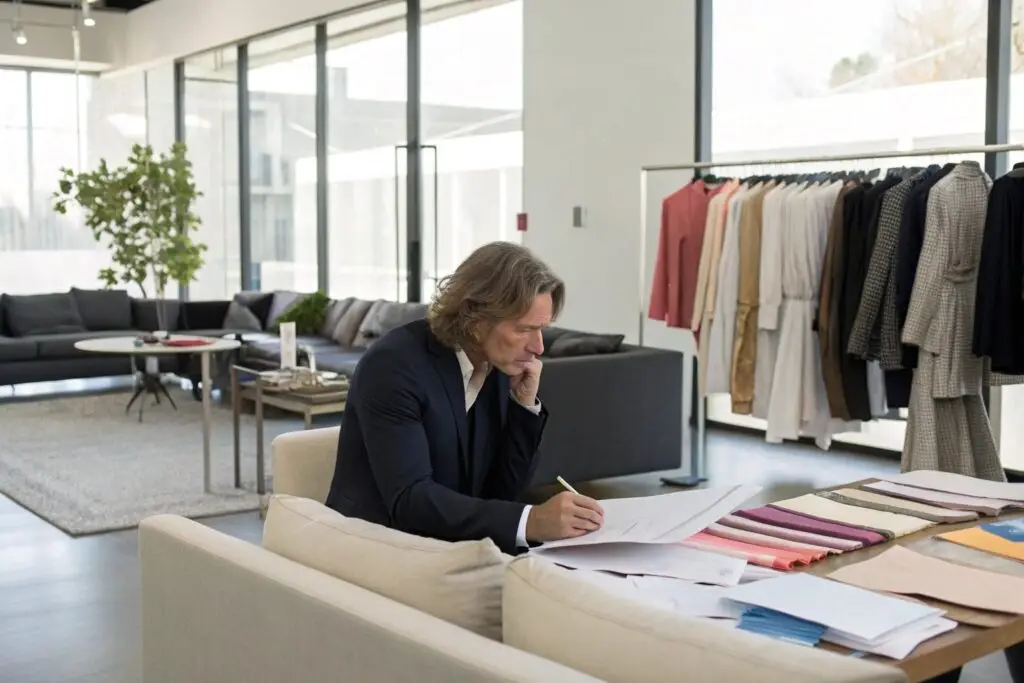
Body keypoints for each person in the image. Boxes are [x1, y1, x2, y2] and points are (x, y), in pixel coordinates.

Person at [325, 241, 605, 554]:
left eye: (542, 330)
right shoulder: (394, 366)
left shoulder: (498, 365)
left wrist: (522, 407)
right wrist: (531, 521)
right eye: (525, 329)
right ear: (475, 318)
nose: (538, 347)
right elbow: (410, 500)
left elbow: (502, 492)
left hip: (452, 543)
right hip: (380, 545)